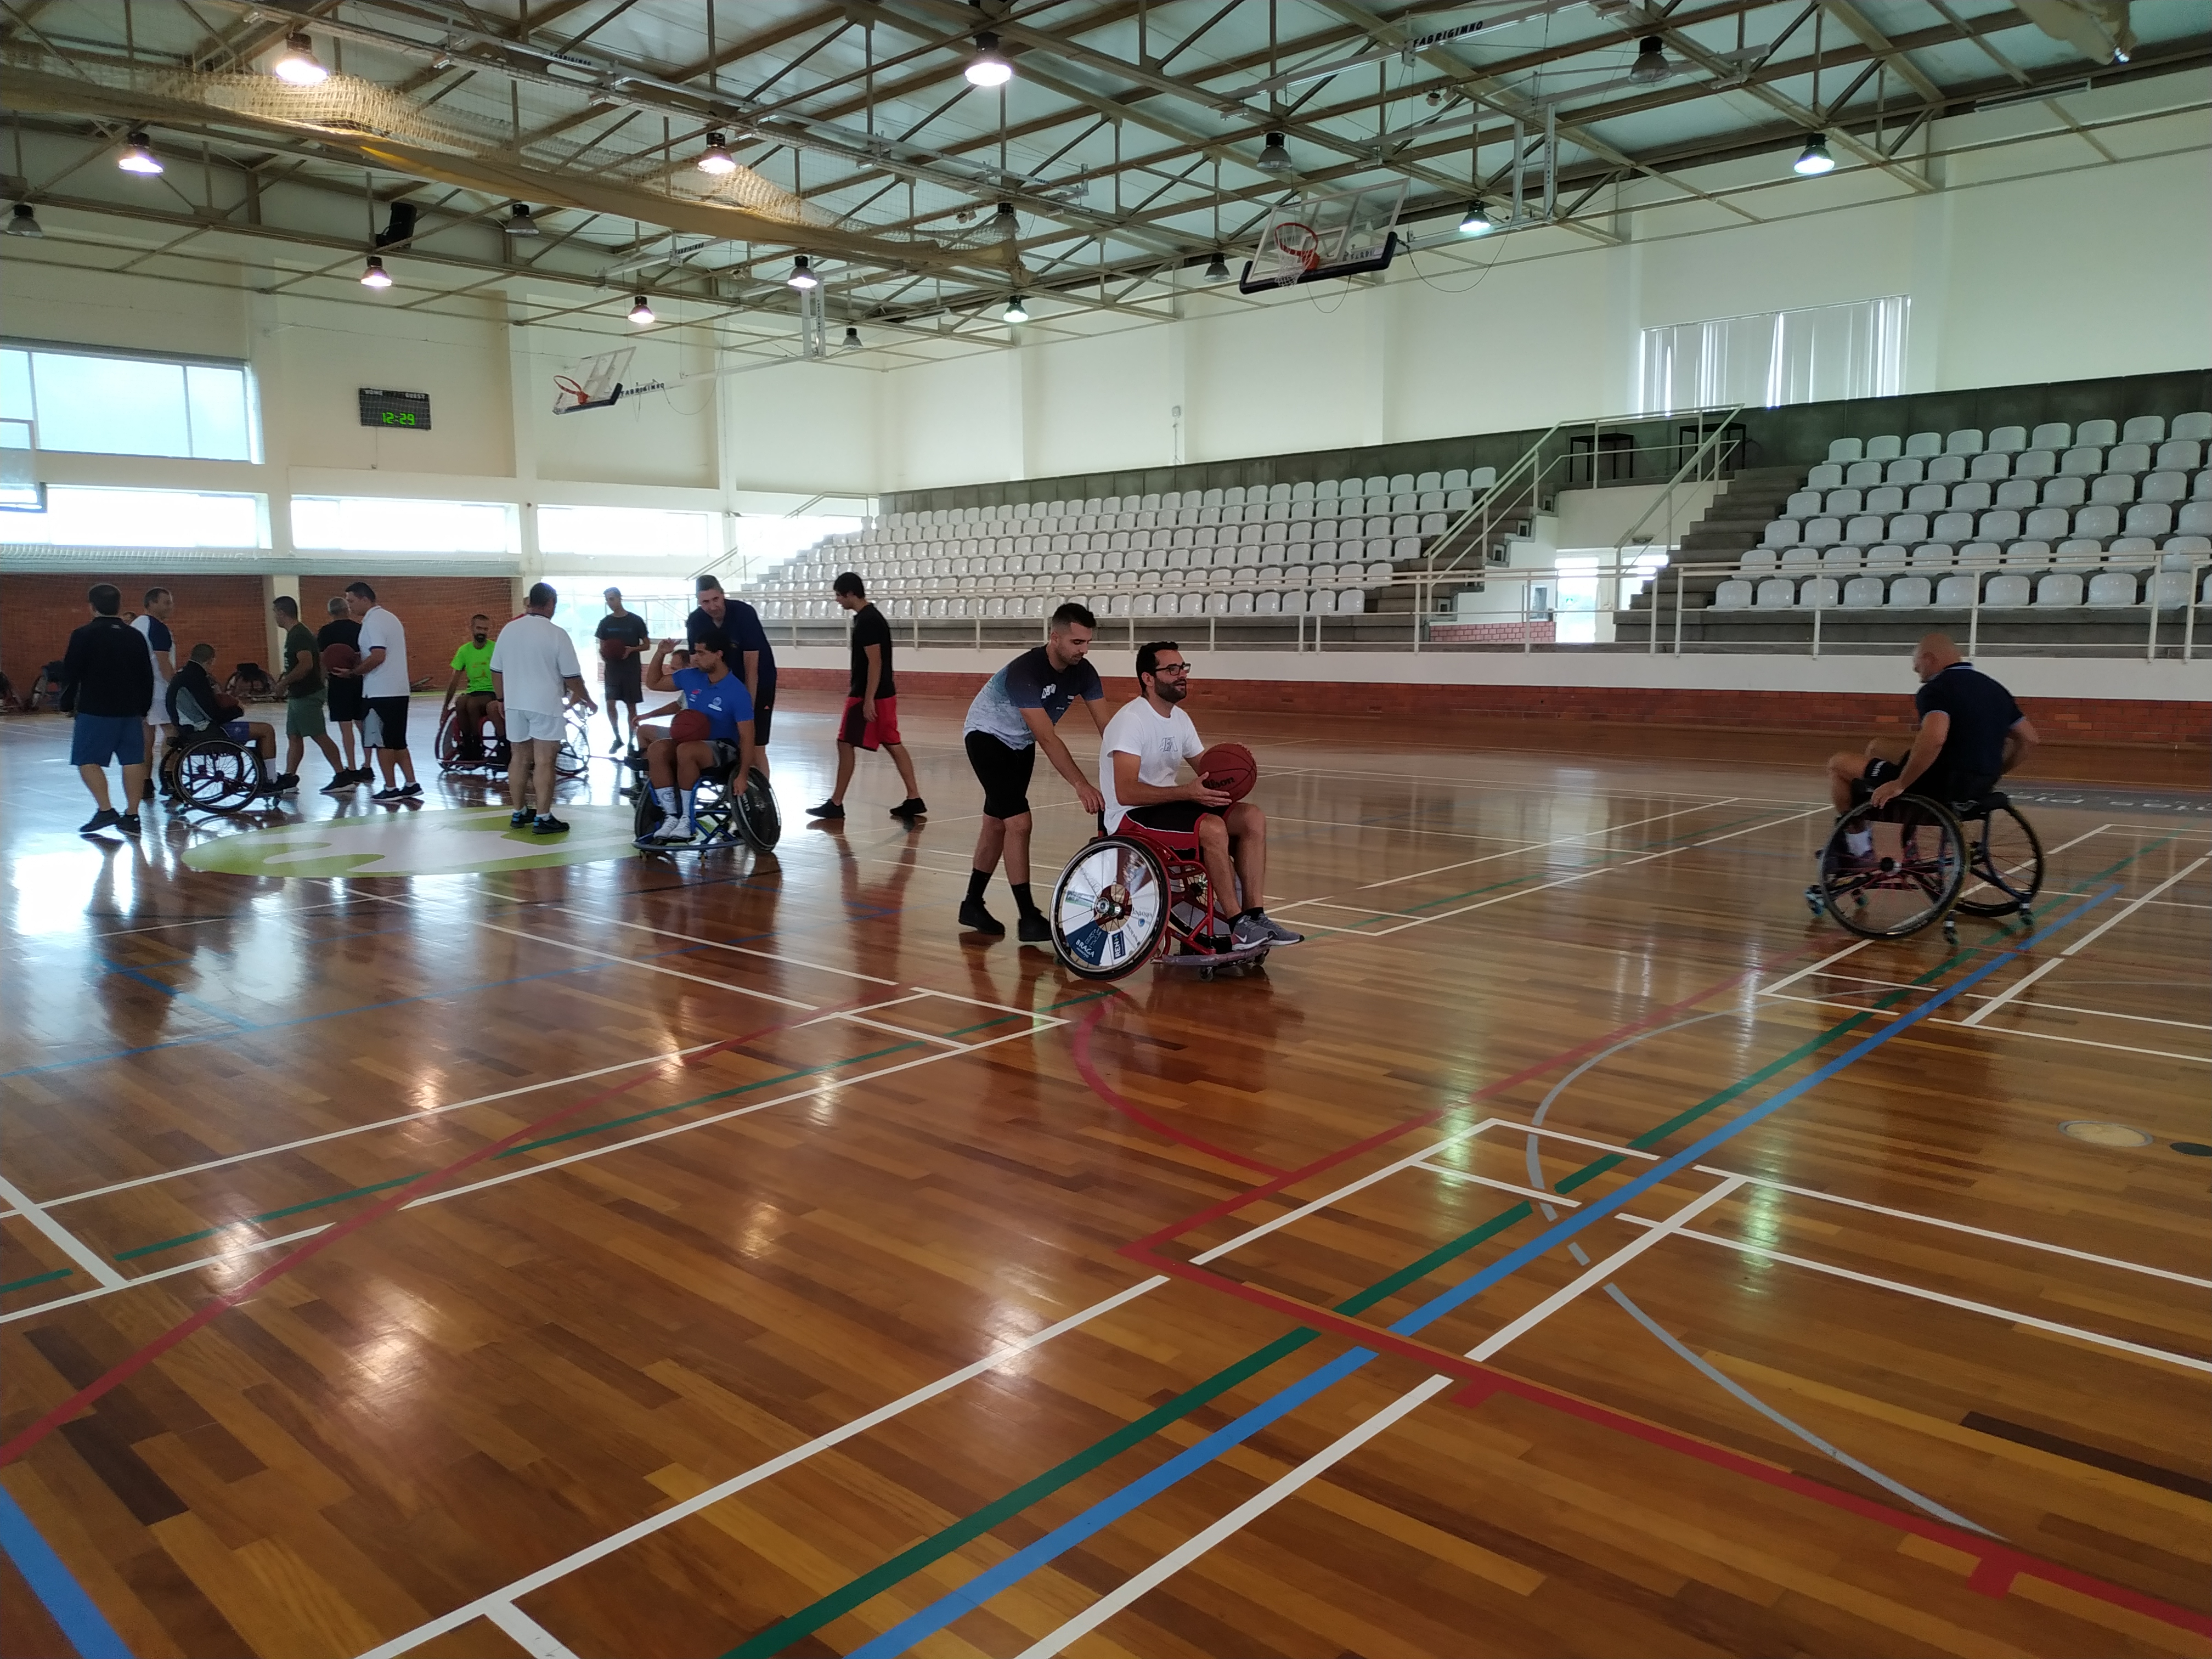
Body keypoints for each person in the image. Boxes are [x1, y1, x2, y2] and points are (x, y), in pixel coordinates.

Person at [1099, 641, 1302, 951]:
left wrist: (1233, 777)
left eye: (1183, 668)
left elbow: (1207, 771)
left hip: (1166, 804)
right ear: (1148, 679)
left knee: (1251, 818)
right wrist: (1187, 792)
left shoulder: (1179, 719)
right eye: (1172, 669)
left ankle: (1255, 916)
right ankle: (1237, 925)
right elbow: (1125, 792)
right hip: (1130, 816)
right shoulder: (1131, 720)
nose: (1181, 675)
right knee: (1212, 827)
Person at [957, 603, 1109, 940]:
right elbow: (1047, 737)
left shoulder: (1085, 671)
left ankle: (972, 905)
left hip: (1020, 744)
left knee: (996, 823)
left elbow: (1108, 728)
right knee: (1019, 823)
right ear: (1055, 638)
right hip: (987, 737)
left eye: (1087, 643)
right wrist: (1081, 784)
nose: (1083, 650)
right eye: (1076, 643)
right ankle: (1028, 917)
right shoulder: (1026, 671)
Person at [1825, 633, 2039, 854]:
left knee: (1838, 764)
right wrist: (1993, 773)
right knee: (1877, 747)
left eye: (1916, 665)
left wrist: (1900, 783)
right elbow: (2030, 739)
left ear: (1929, 658)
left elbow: (1935, 739)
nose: (1916, 671)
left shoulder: (1937, 689)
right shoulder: (1996, 690)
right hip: (1978, 784)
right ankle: (1908, 841)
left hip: (1938, 785)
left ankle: (1858, 849)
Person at [809, 572, 923, 825]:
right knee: (891, 742)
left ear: (850, 594)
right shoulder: (868, 618)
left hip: (868, 694)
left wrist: (869, 699)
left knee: (845, 742)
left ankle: (836, 803)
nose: (838, 601)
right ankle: (914, 797)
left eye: (839, 595)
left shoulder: (868, 622)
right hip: (880, 693)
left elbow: (875, 662)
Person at [489, 582, 595, 835]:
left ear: (529, 602)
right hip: (545, 704)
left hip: (515, 704)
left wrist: (502, 700)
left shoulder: (509, 629)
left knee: (519, 758)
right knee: (545, 760)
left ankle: (519, 812)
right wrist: (588, 700)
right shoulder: (556, 633)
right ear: (551, 604)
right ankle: (543, 817)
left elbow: (496, 670)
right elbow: (572, 677)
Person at [637, 630, 756, 845]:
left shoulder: (737, 692)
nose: (695, 658)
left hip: (724, 748)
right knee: (658, 749)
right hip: (691, 742)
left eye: (701, 653)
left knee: (686, 750)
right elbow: (653, 683)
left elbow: (748, 737)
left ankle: (687, 818)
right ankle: (672, 817)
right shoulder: (692, 677)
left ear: (718, 654)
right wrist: (660, 653)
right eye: (694, 653)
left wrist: (744, 774)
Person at [60, 583, 154, 835]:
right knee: (133, 760)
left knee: (86, 760)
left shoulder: (83, 634)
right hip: (130, 711)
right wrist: (143, 708)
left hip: (96, 709)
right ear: (119, 606)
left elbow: (71, 672)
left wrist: (67, 703)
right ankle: (133, 816)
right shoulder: (135, 636)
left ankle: (106, 810)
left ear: (92, 607)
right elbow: (147, 675)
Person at [338, 581, 420, 802]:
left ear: (365, 599)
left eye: (352, 601)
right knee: (398, 742)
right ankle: (411, 784)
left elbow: (378, 656)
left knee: (381, 743)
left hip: (379, 692)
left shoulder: (373, 622)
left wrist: (354, 673)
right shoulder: (390, 618)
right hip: (399, 691)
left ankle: (391, 788)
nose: (349, 606)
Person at [686, 574, 776, 774]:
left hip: (759, 682)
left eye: (715, 600)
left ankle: (763, 799)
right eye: (705, 602)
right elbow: (697, 661)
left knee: (754, 746)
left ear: (723, 595)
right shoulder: (696, 620)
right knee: (726, 742)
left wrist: (748, 707)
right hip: (723, 686)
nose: (712, 607)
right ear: (699, 602)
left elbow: (752, 666)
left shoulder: (744, 614)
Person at [167, 642, 280, 792]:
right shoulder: (197, 678)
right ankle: (271, 780)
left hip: (189, 729)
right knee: (266, 730)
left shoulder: (181, 676)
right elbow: (214, 715)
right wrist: (238, 710)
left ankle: (265, 775)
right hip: (206, 732)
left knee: (261, 730)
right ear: (210, 661)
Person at [269, 595, 343, 792]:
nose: (274, 616)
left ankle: (342, 776)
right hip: (297, 694)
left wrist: (284, 683)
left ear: (282, 613)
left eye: (275, 612)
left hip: (306, 694)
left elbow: (306, 664)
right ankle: (290, 777)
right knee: (294, 736)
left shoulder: (299, 635)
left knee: (319, 735)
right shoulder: (294, 634)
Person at [317, 594, 371, 789]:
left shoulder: (325, 632)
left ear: (330, 613)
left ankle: (353, 768)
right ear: (347, 610)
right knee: (363, 724)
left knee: (345, 727)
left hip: (338, 684)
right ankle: (368, 765)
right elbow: (366, 656)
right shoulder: (360, 628)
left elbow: (324, 660)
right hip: (358, 679)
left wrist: (321, 684)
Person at [131, 585, 176, 806]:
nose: (171, 607)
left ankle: (145, 784)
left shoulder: (136, 625)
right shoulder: (158, 628)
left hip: (139, 690)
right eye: (166, 602)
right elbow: (162, 661)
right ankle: (168, 777)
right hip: (158, 691)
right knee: (173, 733)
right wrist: (176, 687)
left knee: (146, 739)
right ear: (151, 604)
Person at [594, 587, 650, 754]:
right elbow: (602, 646)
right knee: (610, 704)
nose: (609, 603)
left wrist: (631, 650)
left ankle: (632, 741)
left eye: (612, 599)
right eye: (607, 600)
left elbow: (647, 645)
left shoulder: (635, 621)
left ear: (620, 599)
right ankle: (617, 738)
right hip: (613, 671)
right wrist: (605, 655)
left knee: (631, 707)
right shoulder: (605, 622)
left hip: (631, 670)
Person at [442, 613, 503, 764]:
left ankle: (478, 746)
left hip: (492, 692)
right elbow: (454, 681)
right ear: (472, 629)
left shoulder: (495, 649)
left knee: (472, 704)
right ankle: (467, 745)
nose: (482, 632)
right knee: (461, 702)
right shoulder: (464, 651)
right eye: (479, 628)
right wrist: (445, 706)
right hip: (474, 692)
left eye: (486, 629)